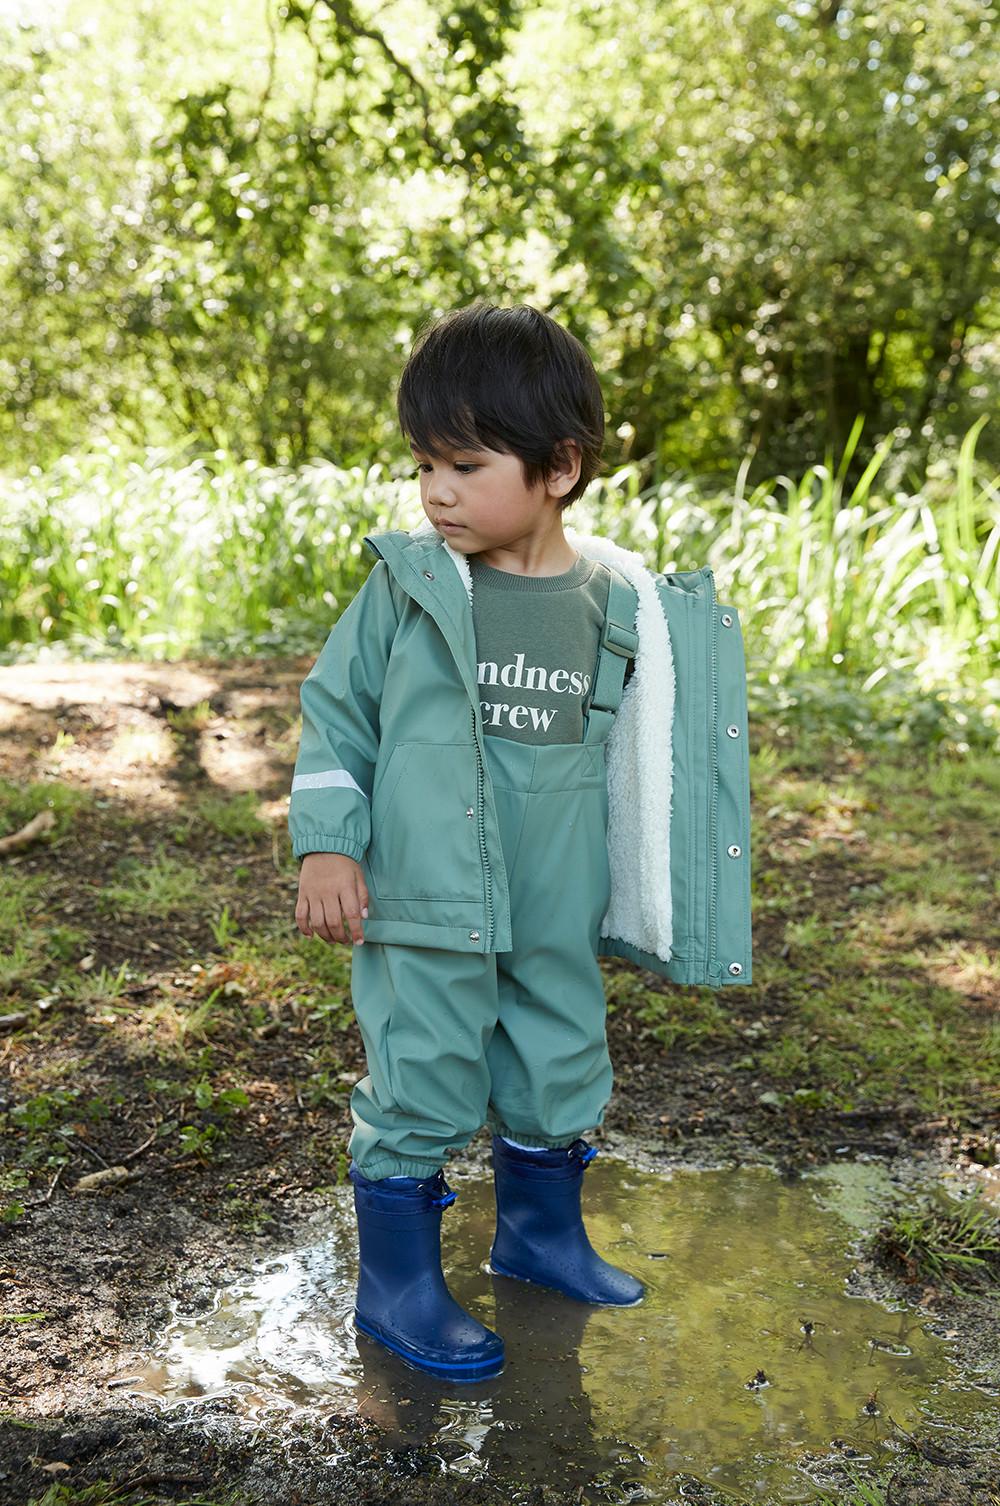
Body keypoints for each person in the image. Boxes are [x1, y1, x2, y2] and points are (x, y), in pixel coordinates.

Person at [288, 301, 752, 1385]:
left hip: (556, 895)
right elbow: (335, 712)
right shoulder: (408, 586)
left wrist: (664, 886)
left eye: (465, 463)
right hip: (426, 887)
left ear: (561, 468)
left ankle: (539, 1237)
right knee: (423, 1068)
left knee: (558, 1056)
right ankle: (396, 1283)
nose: (436, 491)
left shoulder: (621, 600)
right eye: (422, 465)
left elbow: (656, 756)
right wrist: (327, 844)